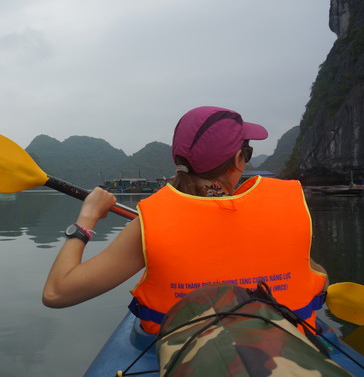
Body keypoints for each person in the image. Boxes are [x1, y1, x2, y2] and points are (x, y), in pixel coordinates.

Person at [42, 106, 328, 334]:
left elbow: (57, 293)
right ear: (239, 159)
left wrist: (87, 216)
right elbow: (319, 279)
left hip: (189, 356)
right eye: (248, 152)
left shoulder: (149, 223)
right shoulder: (288, 205)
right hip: (288, 343)